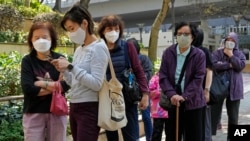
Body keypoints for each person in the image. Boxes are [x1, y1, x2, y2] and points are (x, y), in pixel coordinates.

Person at [51, 3, 109, 141]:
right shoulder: (79, 49)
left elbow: (96, 84)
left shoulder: (99, 48)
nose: (71, 33)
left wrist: (71, 67)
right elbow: (74, 82)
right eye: (68, 30)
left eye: (72, 28)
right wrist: (64, 71)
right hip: (75, 105)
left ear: (84, 23)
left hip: (90, 107)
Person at [97, 15, 149, 141]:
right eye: (109, 29)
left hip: (127, 99)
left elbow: (138, 70)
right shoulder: (98, 49)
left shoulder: (128, 47)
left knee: (131, 136)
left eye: (116, 28)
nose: (113, 32)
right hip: (107, 100)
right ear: (103, 31)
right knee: (112, 135)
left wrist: (145, 94)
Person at [21, 22, 70, 141]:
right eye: (36, 38)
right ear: (31, 40)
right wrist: (56, 86)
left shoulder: (60, 59)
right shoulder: (27, 61)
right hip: (33, 112)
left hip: (58, 112)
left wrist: (42, 83)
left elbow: (66, 85)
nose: (41, 40)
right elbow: (28, 89)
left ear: (51, 39)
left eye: (45, 37)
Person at [159, 21, 206, 141]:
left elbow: (198, 79)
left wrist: (184, 96)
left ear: (192, 37)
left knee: (194, 136)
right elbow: (163, 76)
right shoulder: (168, 53)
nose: (182, 37)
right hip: (173, 102)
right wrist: (172, 94)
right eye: (179, 34)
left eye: (186, 34)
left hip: (194, 102)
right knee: (172, 135)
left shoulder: (199, 55)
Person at [211, 32, 246, 140]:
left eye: (232, 41)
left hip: (235, 89)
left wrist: (231, 55)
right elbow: (213, 65)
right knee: (214, 115)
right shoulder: (217, 52)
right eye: (228, 40)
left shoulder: (239, 54)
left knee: (233, 117)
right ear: (225, 41)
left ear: (236, 42)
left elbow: (240, 66)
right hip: (218, 89)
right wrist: (229, 65)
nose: (230, 42)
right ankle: (209, 136)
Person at [127, 38, 153, 141]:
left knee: (146, 117)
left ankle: (149, 138)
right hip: (130, 93)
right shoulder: (126, 60)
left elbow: (148, 74)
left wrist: (137, 80)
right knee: (132, 117)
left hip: (142, 92)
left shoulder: (143, 58)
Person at [192, 28, 213, 141]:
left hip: (200, 92)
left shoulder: (204, 51)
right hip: (188, 93)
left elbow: (209, 71)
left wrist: (206, 90)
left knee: (203, 120)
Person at [149, 71, 168, 141]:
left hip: (169, 110)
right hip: (158, 112)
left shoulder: (170, 78)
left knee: (169, 132)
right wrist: (160, 92)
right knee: (157, 132)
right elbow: (150, 94)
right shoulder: (154, 78)